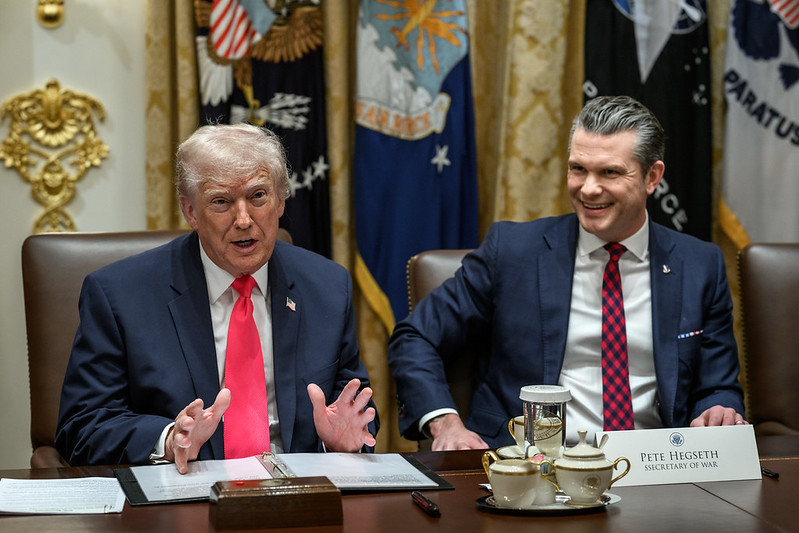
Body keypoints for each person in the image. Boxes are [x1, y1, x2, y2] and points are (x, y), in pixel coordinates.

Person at [387, 95, 745, 451]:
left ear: (652, 177)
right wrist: (446, 424)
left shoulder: (699, 265)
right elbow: (415, 336)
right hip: (530, 465)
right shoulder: (511, 251)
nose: (588, 188)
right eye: (578, 169)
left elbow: (718, 386)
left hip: (656, 463)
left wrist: (718, 410)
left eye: (609, 172)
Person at [56, 123, 378, 472]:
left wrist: (341, 441)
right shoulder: (119, 295)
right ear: (190, 211)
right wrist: (168, 440)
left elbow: (355, 408)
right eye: (221, 202)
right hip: (185, 490)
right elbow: (82, 426)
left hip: (299, 490)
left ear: (281, 201)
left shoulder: (328, 287)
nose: (243, 220)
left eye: (258, 196)